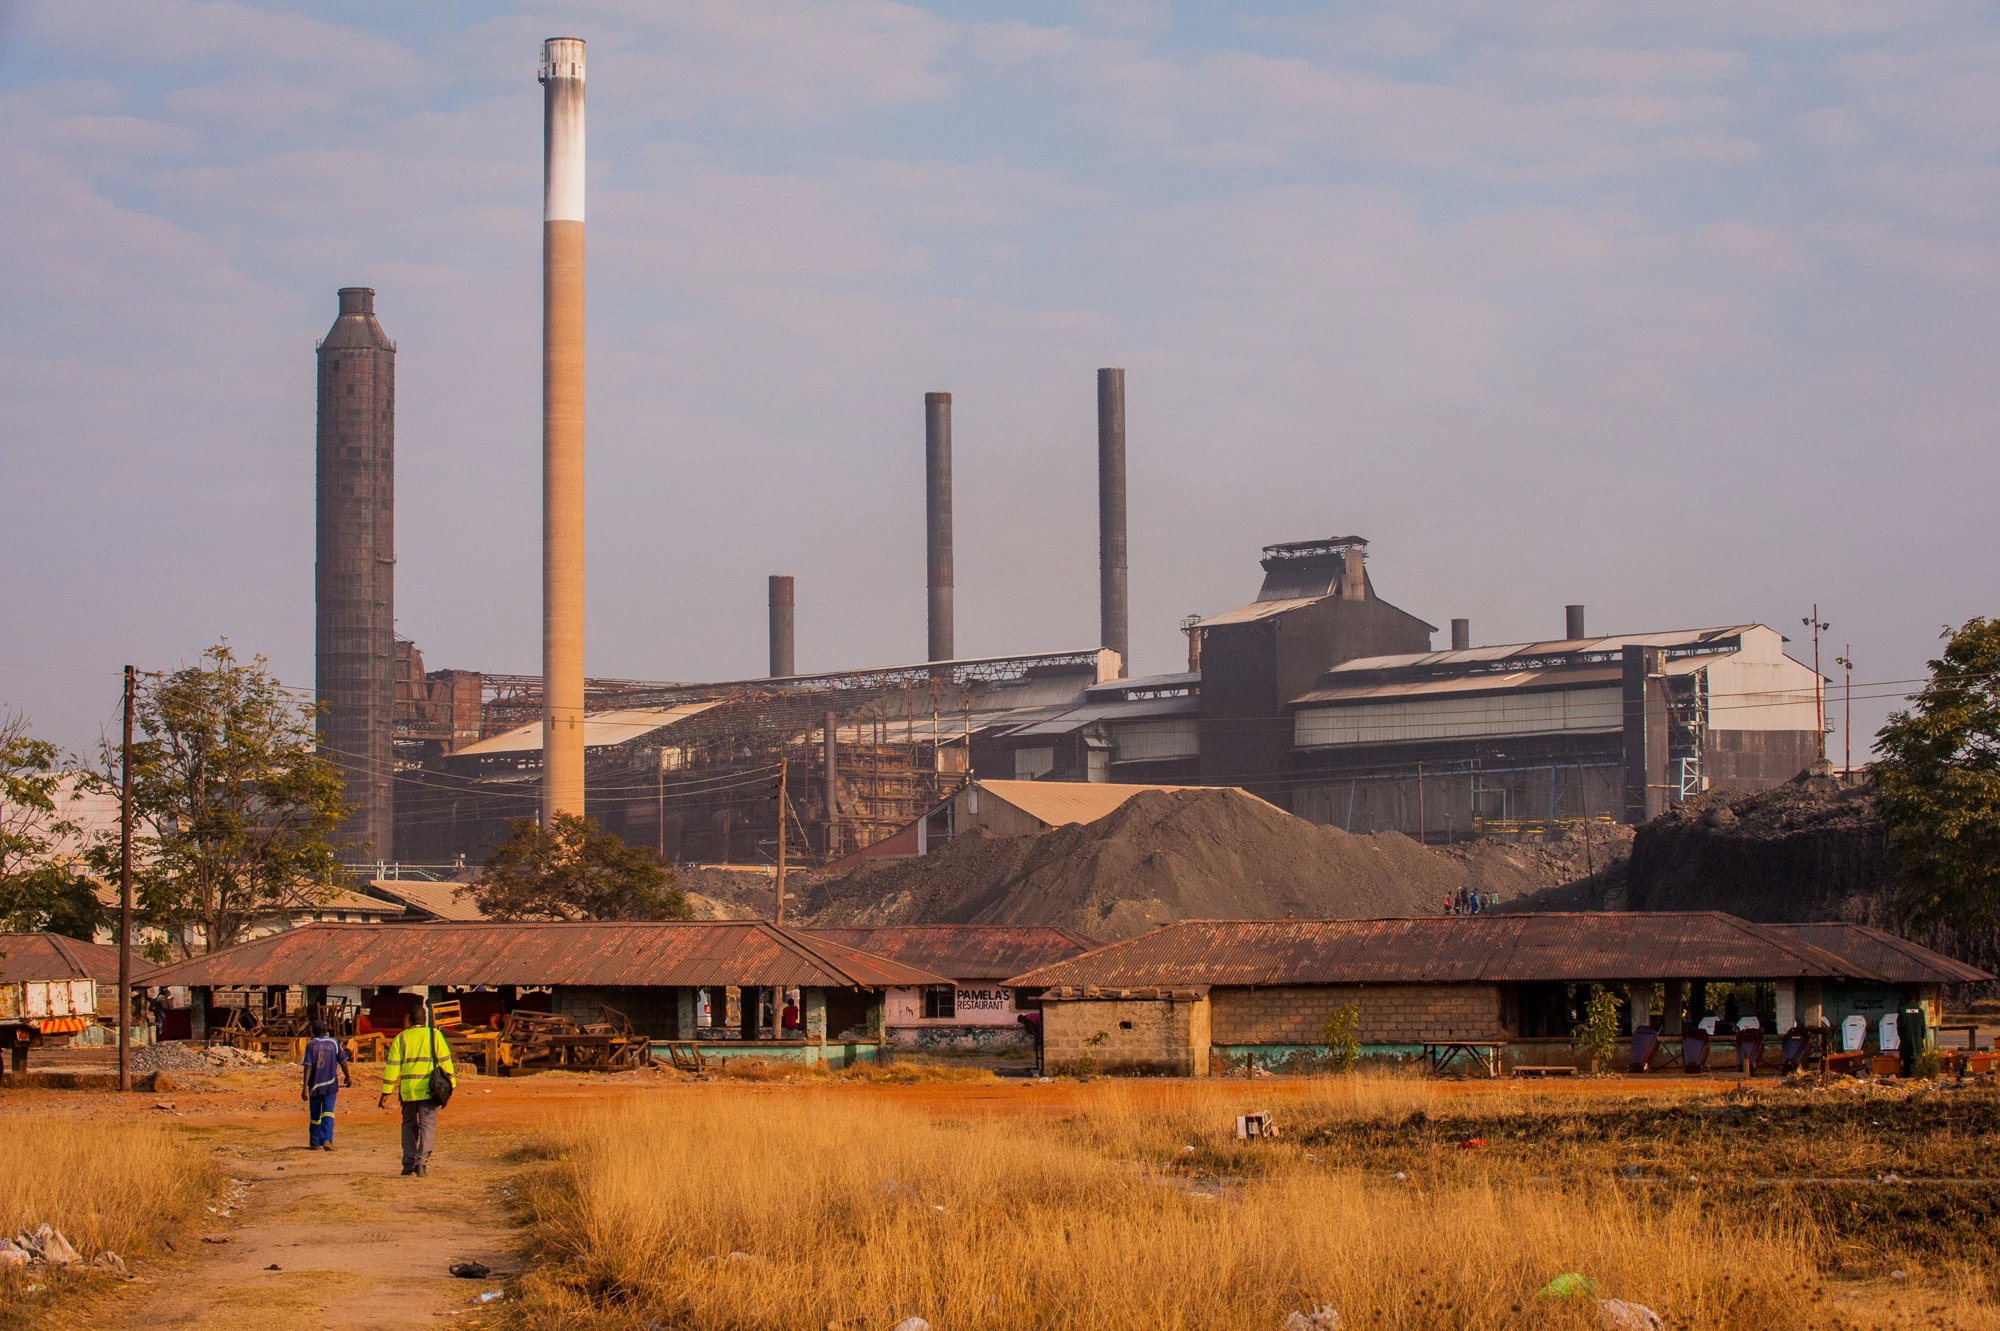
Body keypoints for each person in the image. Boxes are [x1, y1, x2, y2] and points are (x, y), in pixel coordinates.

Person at [379, 999, 455, 1177]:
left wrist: (385, 1092)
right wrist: (451, 1088)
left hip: (408, 1090)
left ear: (409, 1020)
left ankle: (408, 1163)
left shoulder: (401, 1038)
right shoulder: (435, 1035)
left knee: (408, 1125)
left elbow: (392, 1067)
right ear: (425, 1019)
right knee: (427, 1126)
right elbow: (446, 1063)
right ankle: (421, 1163)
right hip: (431, 1090)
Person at [301, 1018, 353, 1150]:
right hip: (330, 1084)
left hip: (315, 1085)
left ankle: (314, 1141)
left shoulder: (311, 1045)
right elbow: (343, 1062)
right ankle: (327, 1140)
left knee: (315, 1115)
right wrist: (348, 1077)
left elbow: (308, 1066)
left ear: (313, 1032)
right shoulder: (334, 1042)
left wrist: (304, 1087)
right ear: (325, 1031)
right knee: (328, 1112)